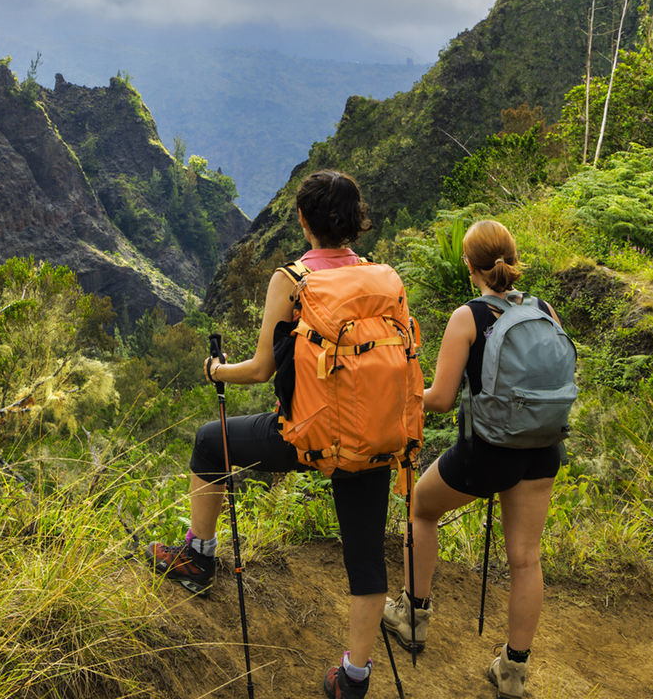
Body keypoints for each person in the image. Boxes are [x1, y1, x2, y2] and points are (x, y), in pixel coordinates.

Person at [148, 169, 402, 699]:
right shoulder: (385, 278)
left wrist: (216, 370)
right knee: (365, 556)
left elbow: (262, 369)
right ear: (357, 222)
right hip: (374, 440)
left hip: (304, 436)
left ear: (304, 221)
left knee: (206, 441)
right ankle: (354, 676)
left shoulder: (292, 280)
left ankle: (198, 554)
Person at [382, 219, 563, 699]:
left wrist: (403, 394)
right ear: (512, 258)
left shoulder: (469, 316)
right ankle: (513, 671)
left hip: (490, 451)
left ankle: (412, 615)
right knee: (526, 558)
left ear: (469, 265)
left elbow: (440, 399)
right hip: (543, 448)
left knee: (422, 507)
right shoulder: (545, 310)